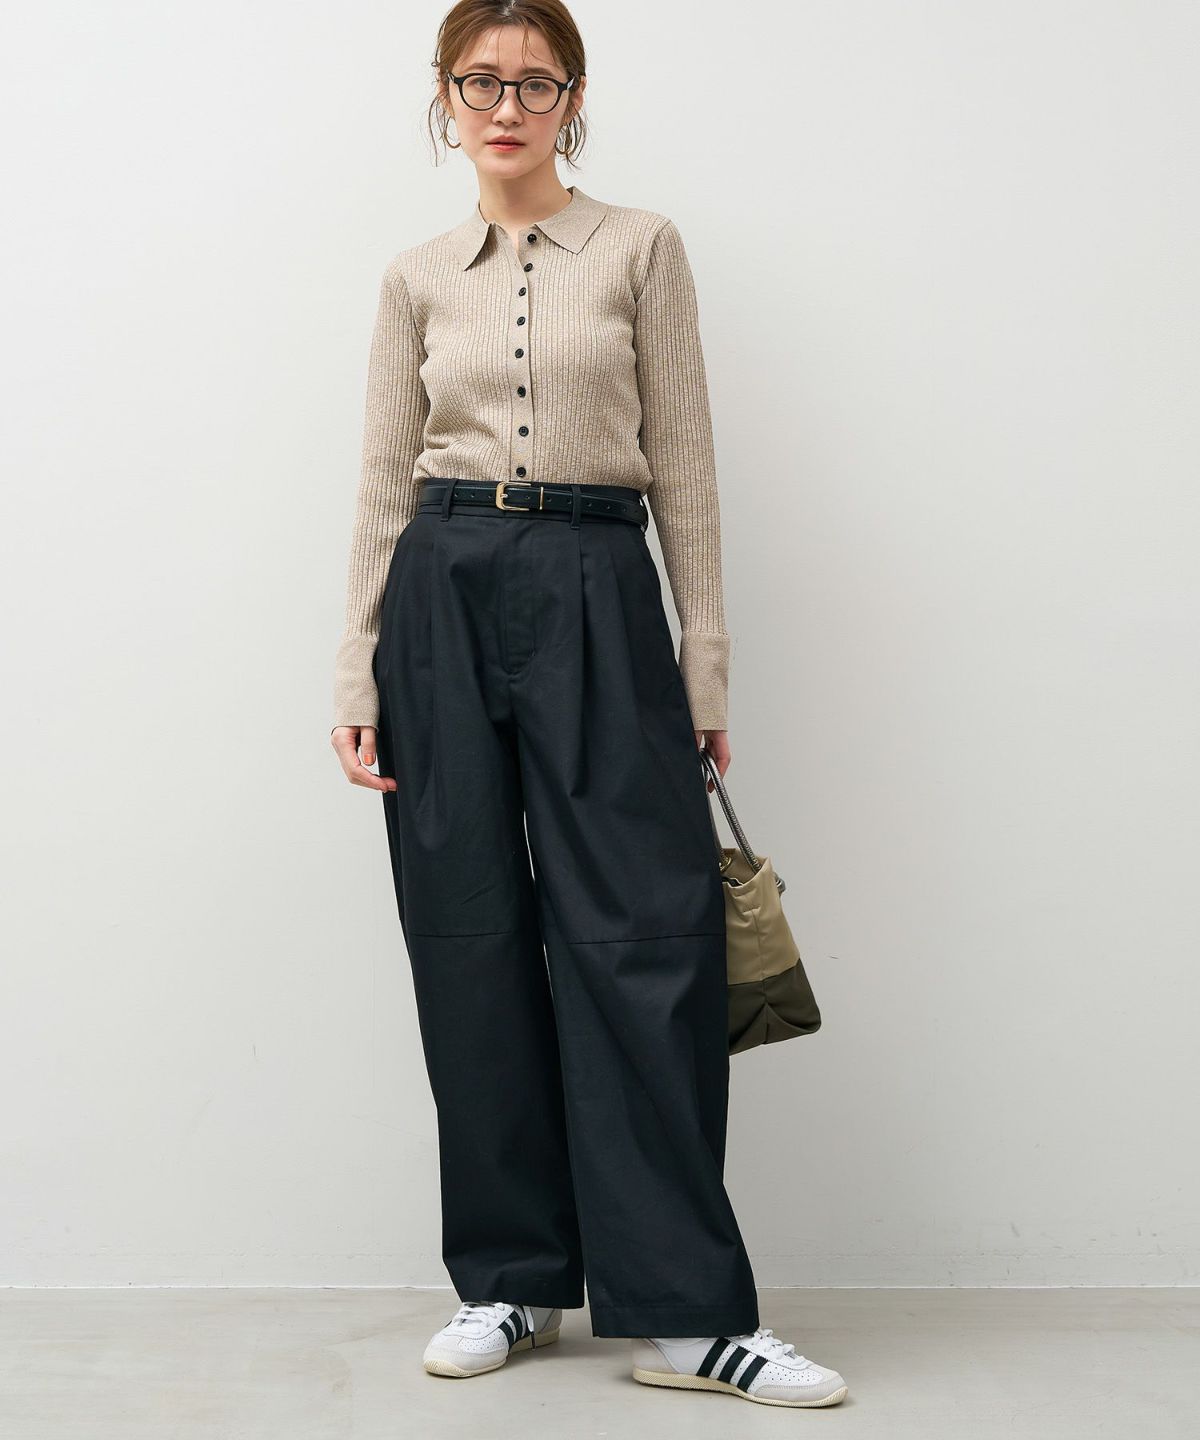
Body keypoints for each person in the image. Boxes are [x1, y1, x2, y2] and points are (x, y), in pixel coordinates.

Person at [329, 0, 847, 1410]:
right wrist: (357, 667)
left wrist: (705, 663)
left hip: (598, 580)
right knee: (467, 931)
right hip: (440, 586)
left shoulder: (641, 248)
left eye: (535, 82)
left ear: (572, 98)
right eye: (480, 82)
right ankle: (510, 1279)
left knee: (645, 936)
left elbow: (686, 458)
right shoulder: (414, 277)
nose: (506, 106)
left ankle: (687, 1315)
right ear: (444, 100)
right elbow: (380, 478)